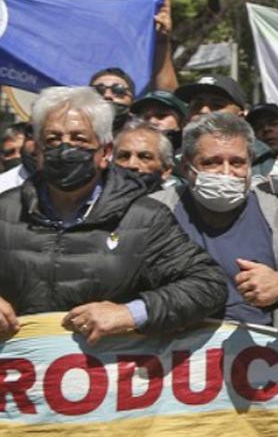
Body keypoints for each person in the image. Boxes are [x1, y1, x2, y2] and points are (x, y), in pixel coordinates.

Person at [0, 86, 228, 341]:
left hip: (106, 372)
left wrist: (131, 313)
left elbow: (207, 285)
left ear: (105, 152)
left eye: (79, 139)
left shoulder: (143, 218)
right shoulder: (5, 211)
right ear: (38, 151)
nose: (65, 150)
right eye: (53, 140)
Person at [150, 112, 278, 334]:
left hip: (254, 362)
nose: (226, 173)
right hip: (172, 361)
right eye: (211, 162)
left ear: (251, 165)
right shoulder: (151, 214)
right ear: (187, 166)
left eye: (237, 162)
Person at [113, 119, 177, 191]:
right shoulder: (100, 200)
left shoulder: (174, 201)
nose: (131, 164)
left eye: (145, 157)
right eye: (124, 156)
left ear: (166, 170)